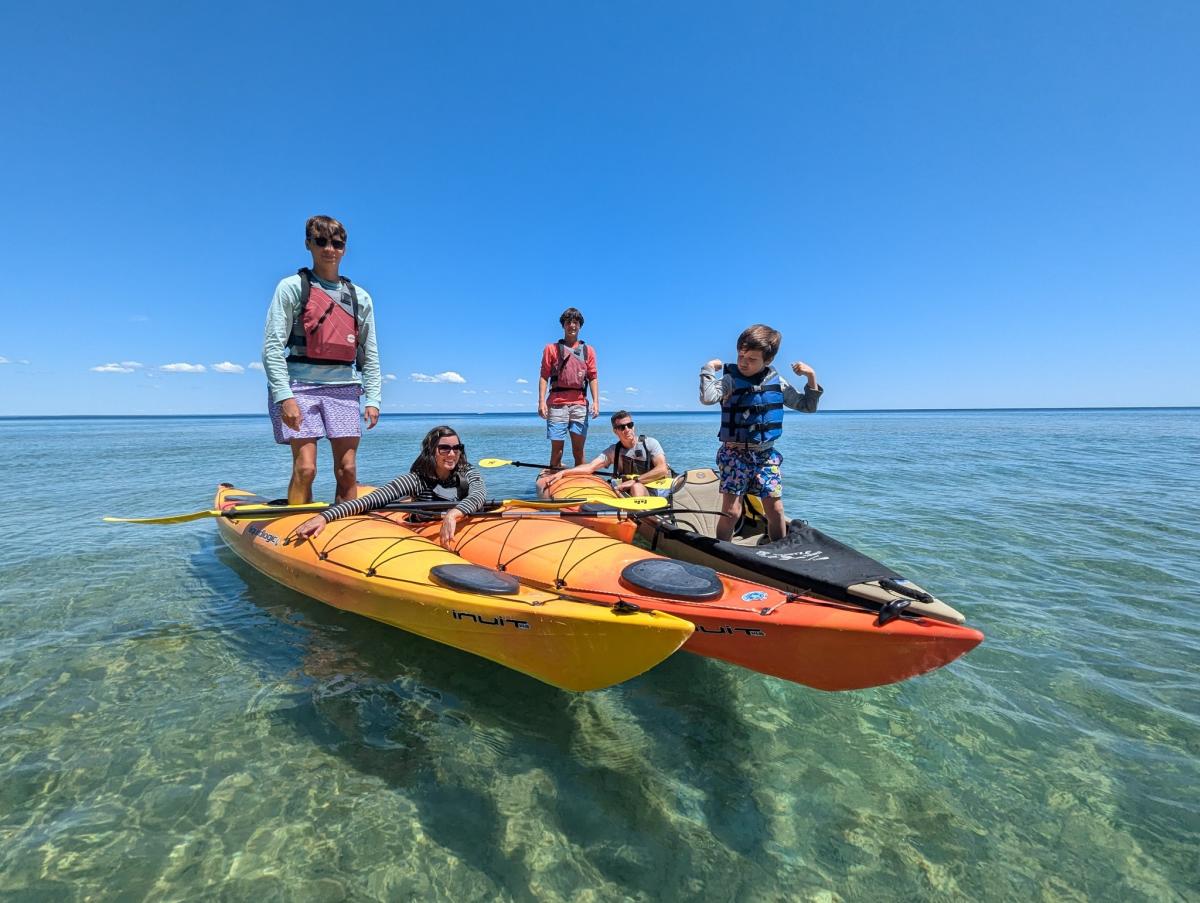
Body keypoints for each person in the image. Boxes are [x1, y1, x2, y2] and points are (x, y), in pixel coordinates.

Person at [262, 215, 381, 505]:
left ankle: (343, 528)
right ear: (308, 244)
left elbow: (371, 350)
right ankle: (296, 531)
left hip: (344, 388)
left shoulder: (359, 297)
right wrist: (284, 397)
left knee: (348, 469)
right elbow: (271, 347)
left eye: (337, 243)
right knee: (306, 468)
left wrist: (374, 398)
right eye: (322, 242)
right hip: (299, 387)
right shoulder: (291, 287)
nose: (330, 249)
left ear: (344, 248)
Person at [699, 324, 822, 543]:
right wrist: (708, 368)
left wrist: (810, 376)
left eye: (752, 359)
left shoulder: (778, 383)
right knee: (732, 511)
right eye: (741, 356)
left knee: (775, 510)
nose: (744, 362)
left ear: (768, 361)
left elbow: (807, 406)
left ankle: (779, 553)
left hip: (765, 456)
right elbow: (708, 397)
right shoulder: (730, 379)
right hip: (734, 455)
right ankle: (723, 551)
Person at [294, 426, 486, 547]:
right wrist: (324, 516)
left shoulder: (467, 472)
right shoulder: (415, 480)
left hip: (458, 520)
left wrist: (454, 513)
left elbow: (478, 495)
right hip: (422, 527)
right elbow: (368, 502)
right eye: (444, 448)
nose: (452, 454)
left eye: (457, 448)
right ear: (431, 451)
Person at [539, 410, 671, 498]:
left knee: (636, 487)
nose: (627, 429)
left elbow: (662, 469)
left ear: (633, 426)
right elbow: (591, 467)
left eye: (629, 425)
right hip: (627, 493)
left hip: (652, 493)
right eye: (621, 427)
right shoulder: (614, 451)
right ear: (615, 431)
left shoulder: (650, 443)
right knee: (630, 487)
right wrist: (563, 473)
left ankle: (644, 522)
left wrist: (634, 481)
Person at [537, 307, 599, 469]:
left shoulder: (588, 350)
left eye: (576, 322)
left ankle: (580, 481)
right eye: (568, 322)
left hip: (580, 405)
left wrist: (596, 402)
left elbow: (593, 377)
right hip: (557, 404)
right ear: (563, 325)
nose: (572, 325)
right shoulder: (551, 349)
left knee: (578, 451)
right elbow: (544, 376)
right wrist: (541, 402)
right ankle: (554, 477)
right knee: (557, 450)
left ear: (580, 326)